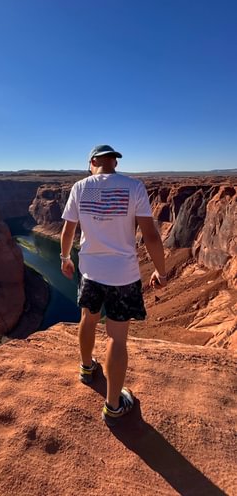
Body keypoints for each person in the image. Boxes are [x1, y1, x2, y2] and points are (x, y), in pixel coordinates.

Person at [60, 144, 167, 426]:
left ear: (93, 161)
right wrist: (161, 271)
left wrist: (64, 258)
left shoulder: (81, 187)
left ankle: (86, 368)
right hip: (123, 275)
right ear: (114, 163)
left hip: (90, 271)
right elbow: (151, 236)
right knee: (117, 338)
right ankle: (113, 405)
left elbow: (69, 228)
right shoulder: (134, 187)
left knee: (87, 317)